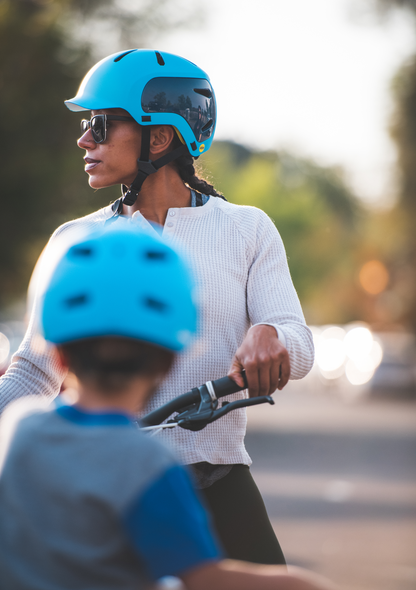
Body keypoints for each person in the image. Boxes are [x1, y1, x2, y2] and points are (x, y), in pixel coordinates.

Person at [0, 49, 315, 565]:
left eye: (100, 125)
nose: (84, 139)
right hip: (99, 480)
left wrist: (273, 335)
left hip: (216, 480)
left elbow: (298, 345)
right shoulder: (74, 239)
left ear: (161, 136)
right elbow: (33, 374)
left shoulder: (247, 228)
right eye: (86, 125)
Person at [0, 225, 334, 590]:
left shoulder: (18, 428)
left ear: (57, 355)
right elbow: (203, 577)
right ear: (168, 363)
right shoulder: (149, 464)